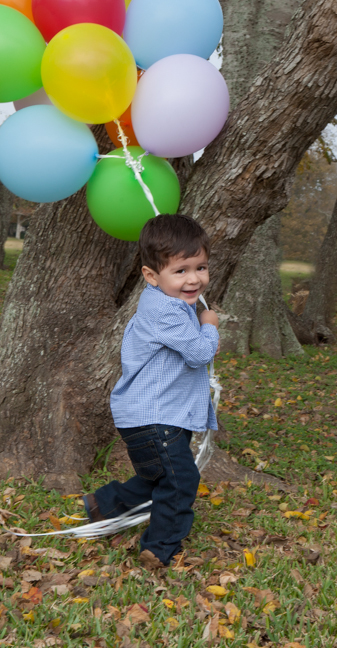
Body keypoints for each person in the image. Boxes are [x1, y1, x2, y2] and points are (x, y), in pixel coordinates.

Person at [83, 213, 219, 570]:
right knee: (181, 481)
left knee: (160, 476)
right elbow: (200, 353)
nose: (194, 279)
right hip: (155, 418)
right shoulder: (166, 312)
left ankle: (104, 504)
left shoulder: (170, 304)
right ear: (151, 275)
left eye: (201, 267)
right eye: (181, 270)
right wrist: (210, 327)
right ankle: (160, 549)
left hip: (154, 416)